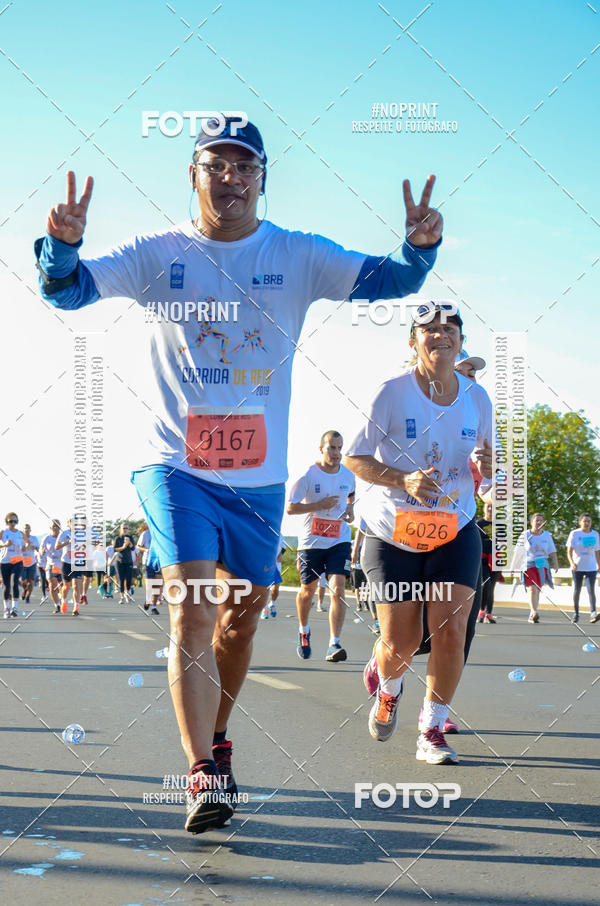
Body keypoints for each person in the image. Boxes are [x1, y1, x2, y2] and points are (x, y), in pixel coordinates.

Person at [37, 116, 442, 832]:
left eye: (244, 166)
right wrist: (61, 248)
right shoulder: (157, 253)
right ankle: (200, 772)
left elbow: (389, 279)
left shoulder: (296, 253)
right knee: (192, 606)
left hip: (257, 478)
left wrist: (419, 246)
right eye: (215, 165)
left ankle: (218, 740)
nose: (231, 178)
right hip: (174, 464)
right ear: (193, 176)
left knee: (243, 615)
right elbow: (68, 292)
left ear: (262, 178)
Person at [344, 303, 493, 765]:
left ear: (461, 342)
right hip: (393, 531)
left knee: (451, 630)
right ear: (413, 341)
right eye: (430, 329)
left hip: (454, 527)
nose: (441, 335)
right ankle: (388, 687)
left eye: (450, 329)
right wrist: (402, 479)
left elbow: (492, 474)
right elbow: (354, 457)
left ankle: (431, 729)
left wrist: (492, 471)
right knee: (402, 642)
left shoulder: (477, 398)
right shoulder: (391, 392)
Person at [288, 431, 356, 662]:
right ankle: (303, 630)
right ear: (321, 449)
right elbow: (291, 508)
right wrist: (319, 505)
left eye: (339, 448)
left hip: (339, 539)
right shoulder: (308, 475)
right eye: (332, 448)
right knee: (308, 591)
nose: (336, 453)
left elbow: (351, 494)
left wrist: (350, 509)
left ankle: (333, 644)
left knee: (338, 588)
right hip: (312, 542)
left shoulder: (348, 475)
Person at [513, 514, 559, 623]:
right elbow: (518, 551)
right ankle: (534, 612)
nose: (539, 522)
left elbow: (552, 551)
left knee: (537, 590)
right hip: (528, 565)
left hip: (542, 565)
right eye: (536, 520)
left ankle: (533, 612)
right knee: (532, 588)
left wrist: (556, 564)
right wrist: (512, 566)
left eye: (541, 521)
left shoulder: (547, 535)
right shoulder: (525, 534)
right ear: (531, 522)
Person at [567, 513, 600, 623]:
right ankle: (576, 613)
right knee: (577, 590)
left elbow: (597, 551)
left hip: (591, 567)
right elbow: (569, 551)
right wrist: (572, 563)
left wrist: (598, 564)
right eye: (585, 521)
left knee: (591, 589)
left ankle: (593, 612)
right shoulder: (575, 533)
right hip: (577, 567)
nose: (587, 523)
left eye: (589, 521)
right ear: (580, 522)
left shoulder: (595, 534)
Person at [477, 501, 503, 623]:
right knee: (485, 583)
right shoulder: (479, 524)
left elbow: (503, 543)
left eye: (493, 507)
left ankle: (489, 613)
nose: (490, 509)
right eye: (488, 507)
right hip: (482, 558)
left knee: (492, 586)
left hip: (495, 558)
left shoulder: (500, 525)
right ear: (484, 509)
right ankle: (481, 610)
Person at [55, 519, 82, 616]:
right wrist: (68, 542)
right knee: (66, 586)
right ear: (68, 524)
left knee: (76, 585)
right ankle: (64, 600)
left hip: (77, 562)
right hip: (66, 562)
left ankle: (76, 607)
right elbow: (56, 547)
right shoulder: (64, 533)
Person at [0, 512, 25, 618]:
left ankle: (14, 608)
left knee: (14, 583)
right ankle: (6, 609)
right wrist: (4, 544)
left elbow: (26, 544)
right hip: (5, 561)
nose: (13, 523)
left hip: (17, 561)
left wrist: (25, 547)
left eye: (15, 521)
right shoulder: (3, 532)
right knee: (7, 586)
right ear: (7, 522)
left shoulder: (20, 533)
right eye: (11, 521)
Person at [137, 522, 162, 615]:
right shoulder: (145, 534)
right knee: (149, 585)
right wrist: (146, 550)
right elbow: (138, 546)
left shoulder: (161, 533)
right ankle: (148, 600)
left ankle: (154, 607)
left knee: (157, 585)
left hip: (159, 562)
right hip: (147, 562)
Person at [40, 519, 63, 612]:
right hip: (51, 564)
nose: (55, 528)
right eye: (54, 526)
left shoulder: (64, 537)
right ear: (50, 527)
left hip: (62, 565)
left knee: (63, 586)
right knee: (52, 585)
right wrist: (42, 551)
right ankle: (57, 605)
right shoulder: (46, 538)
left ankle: (62, 598)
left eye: (57, 526)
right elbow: (41, 550)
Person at [261, 538, 285, 619]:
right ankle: (264, 609)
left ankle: (272, 603)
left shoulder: (279, 534)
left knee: (275, 589)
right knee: (265, 588)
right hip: (265, 564)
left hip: (276, 565)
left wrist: (281, 554)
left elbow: (284, 546)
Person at [113, 522, 136, 604]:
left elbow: (133, 548)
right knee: (121, 579)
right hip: (120, 561)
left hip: (129, 561)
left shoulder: (130, 537)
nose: (125, 530)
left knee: (129, 579)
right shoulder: (118, 538)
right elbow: (115, 549)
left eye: (126, 528)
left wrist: (129, 543)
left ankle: (128, 594)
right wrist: (123, 547)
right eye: (123, 528)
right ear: (120, 529)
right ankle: (122, 596)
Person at [20, 524, 39, 604]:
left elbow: (38, 549)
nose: (26, 530)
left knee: (31, 581)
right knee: (23, 581)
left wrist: (35, 547)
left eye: (28, 528)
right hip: (22, 562)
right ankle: (25, 590)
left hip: (32, 562)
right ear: (23, 530)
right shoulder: (20, 538)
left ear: (30, 530)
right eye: (25, 528)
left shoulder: (34, 538)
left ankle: (28, 596)